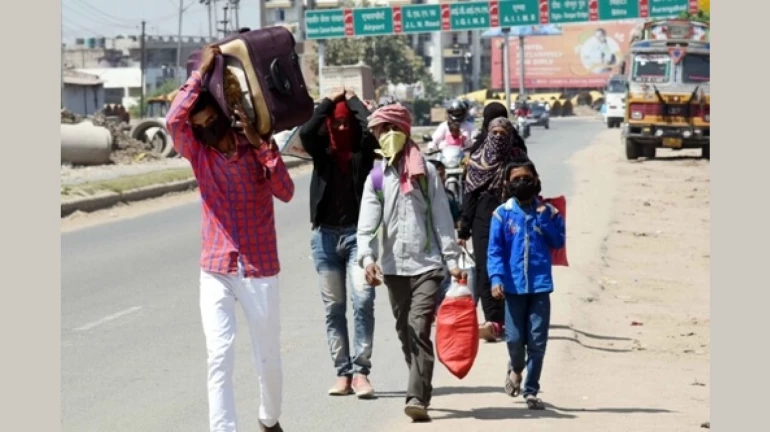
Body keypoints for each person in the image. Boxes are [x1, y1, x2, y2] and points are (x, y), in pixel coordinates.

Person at [165, 44, 293, 432]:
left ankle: (269, 420)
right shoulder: (199, 155)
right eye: (198, 126)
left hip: (258, 269)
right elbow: (173, 122)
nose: (203, 131)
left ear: (224, 119)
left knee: (267, 357)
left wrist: (262, 146)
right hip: (216, 270)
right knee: (218, 355)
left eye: (209, 123)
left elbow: (285, 192)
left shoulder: (256, 149)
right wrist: (200, 75)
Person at [356, 104, 466, 422]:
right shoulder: (377, 177)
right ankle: (421, 381)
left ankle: (416, 395)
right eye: (380, 131)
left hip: (428, 265)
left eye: (390, 129)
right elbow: (366, 225)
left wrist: (452, 260)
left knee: (419, 327)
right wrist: (367, 259)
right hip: (392, 269)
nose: (385, 136)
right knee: (405, 332)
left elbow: (443, 219)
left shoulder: (426, 172)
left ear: (403, 131)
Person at [298, 87, 378, 398]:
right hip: (325, 239)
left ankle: (361, 372)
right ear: (329, 124)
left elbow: (370, 124)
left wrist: (354, 100)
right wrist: (329, 102)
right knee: (334, 309)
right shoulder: (321, 151)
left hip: (359, 238)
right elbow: (306, 131)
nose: (343, 128)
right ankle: (342, 373)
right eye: (337, 123)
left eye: (347, 123)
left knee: (364, 303)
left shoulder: (363, 150)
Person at [487, 157, 565, 411]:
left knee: (537, 341)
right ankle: (516, 367)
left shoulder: (550, 212)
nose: (522, 183)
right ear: (508, 185)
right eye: (516, 180)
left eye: (527, 179)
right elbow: (495, 251)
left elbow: (557, 242)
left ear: (536, 182)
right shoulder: (502, 214)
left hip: (540, 286)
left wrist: (543, 220)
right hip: (513, 287)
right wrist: (496, 278)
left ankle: (531, 390)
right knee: (514, 338)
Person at [458, 117, 526, 343]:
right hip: (482, 218)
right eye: (494, 133)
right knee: (485, 267)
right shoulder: (477, 160)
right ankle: (492, 320)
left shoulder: (517, 160)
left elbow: (529, 189)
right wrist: (464, 228)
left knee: (509, 264)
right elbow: (469, 195)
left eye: (502, 133)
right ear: (488, 133)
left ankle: (510, 316)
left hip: (510, 218)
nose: (498, 138)